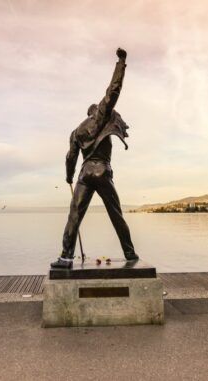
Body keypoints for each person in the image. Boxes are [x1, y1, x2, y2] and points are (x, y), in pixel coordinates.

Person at [51, 47, 138, 269]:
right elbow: (113, 90)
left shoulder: (76, 131)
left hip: (84, 174)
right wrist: (121, 62)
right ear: (96, 111)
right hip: (101, 171)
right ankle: (129, 254)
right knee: (115, 213)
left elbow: (70, 156)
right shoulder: (101, 117)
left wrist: (69, 177)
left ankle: (65, 257)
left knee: (74, 215)